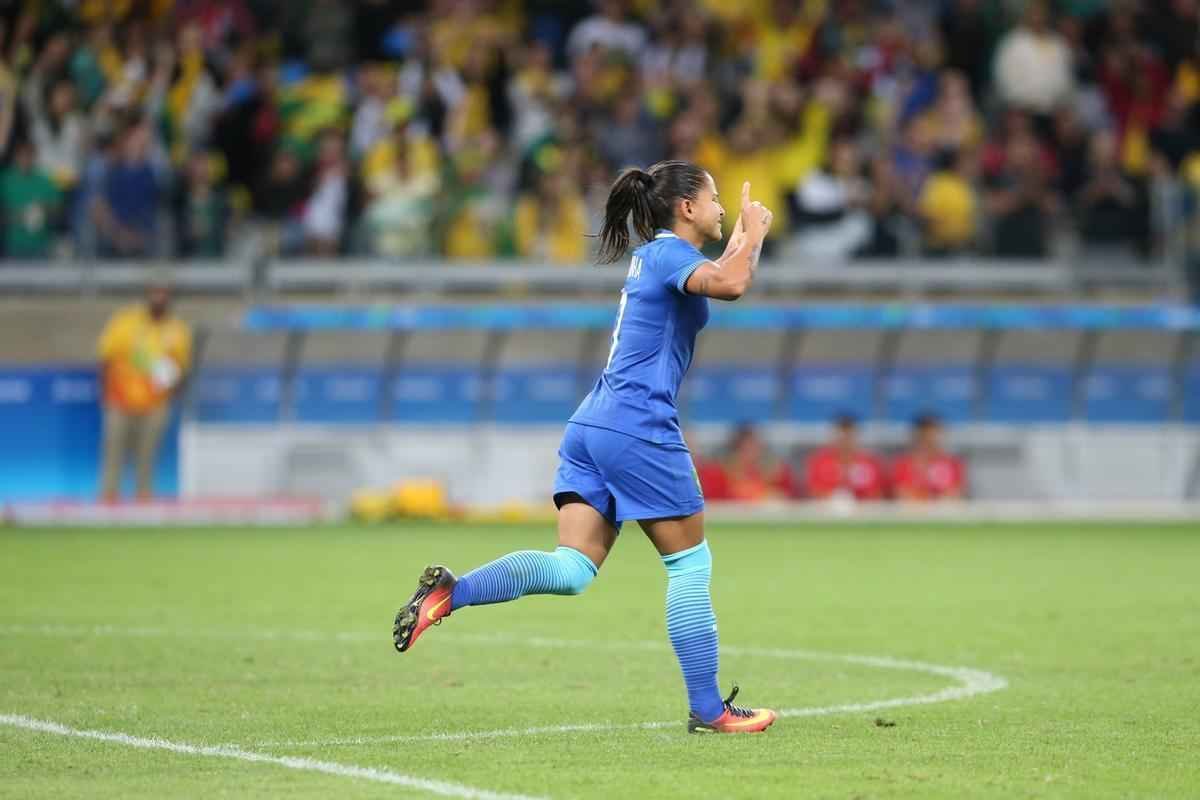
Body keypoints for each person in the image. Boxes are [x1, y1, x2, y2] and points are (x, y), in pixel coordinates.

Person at [394, 161, 779, 735]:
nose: (722, 207)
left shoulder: (659, 257)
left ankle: (454, 591)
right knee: (689, 565)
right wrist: (756, 236)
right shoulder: (669, 254)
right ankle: (708, 709)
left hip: (593, 424)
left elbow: (722, 275)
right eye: (715, 197)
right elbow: (732, 284)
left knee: (572, 568)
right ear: (686, 208)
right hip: (638, 426)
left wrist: (743, 239)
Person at [97, 280, 193, 502]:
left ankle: (144, 497)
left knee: (148, 453)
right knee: (113, 450)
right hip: (120, 399)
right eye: (155, 293)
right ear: (147, 295)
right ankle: (108, 496)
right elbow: (106, 357)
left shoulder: (177, 329)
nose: (159, 299)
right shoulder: (125, 322)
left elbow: (181, 368)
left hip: (156, 403)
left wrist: (172, 385)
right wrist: (107, 391)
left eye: (164, 294)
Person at [804, 414, 887, 502]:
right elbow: (812, 492)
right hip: (827, 508)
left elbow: (878, 494)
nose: (845, 440)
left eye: (849, 435)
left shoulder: (870, 463)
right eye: (841, 434)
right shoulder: (820, 462)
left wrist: (856, 498)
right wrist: (835, 498)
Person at [891, 413, 966, 502]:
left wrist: (925, 497)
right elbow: (902, 494)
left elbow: (956, 494)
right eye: (924, 435)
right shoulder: (903, 464)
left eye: (932, 434)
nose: (928, 439)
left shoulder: (952, 463)